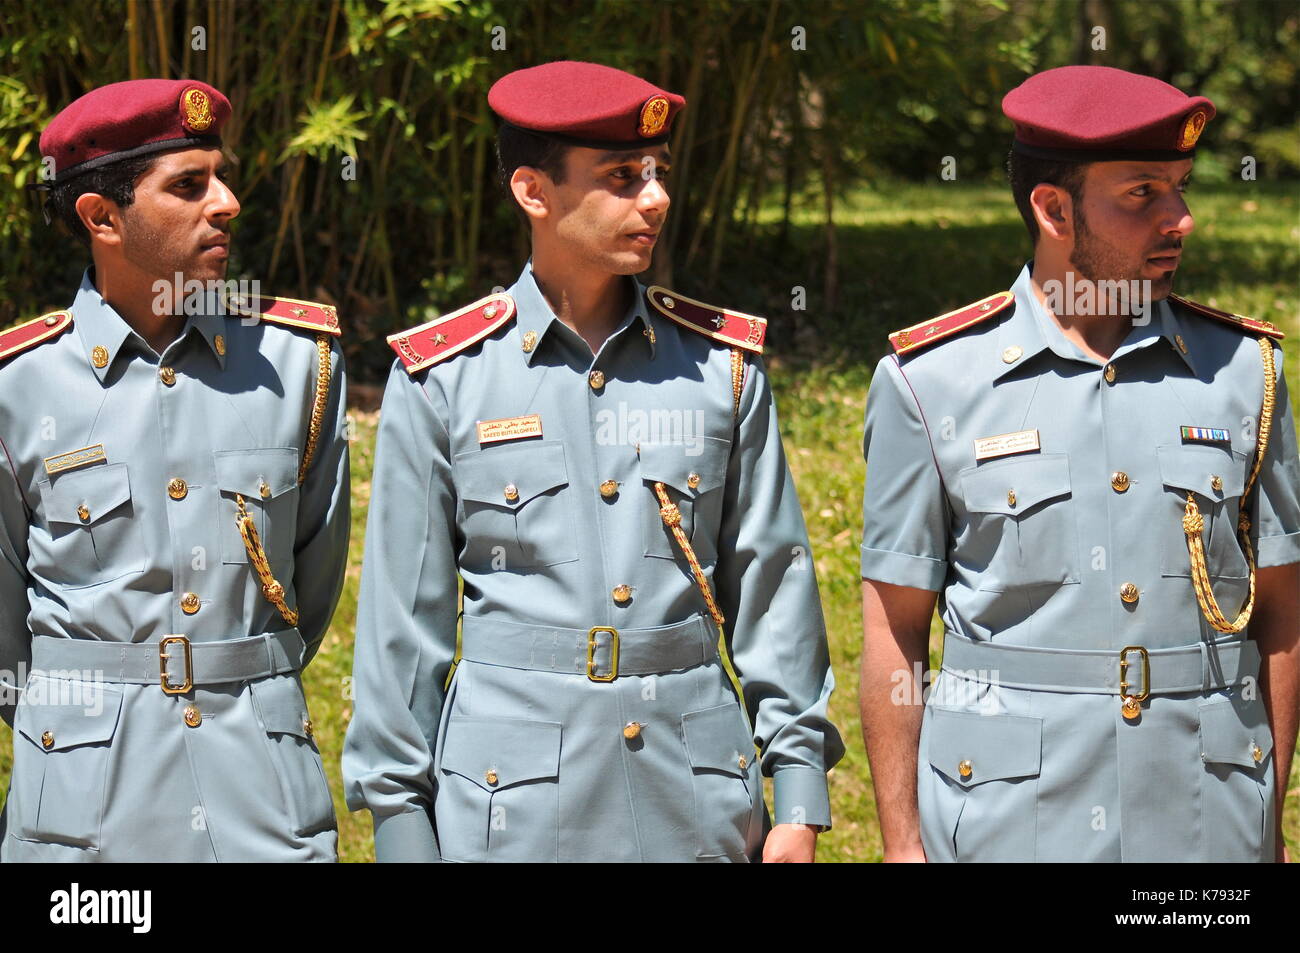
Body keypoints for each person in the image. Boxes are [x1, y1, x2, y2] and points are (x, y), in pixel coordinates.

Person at [342, 60, 842, 863]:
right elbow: (404, 626)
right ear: (534, 191)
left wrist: (799, 793)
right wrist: (402, 826)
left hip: (695, 797)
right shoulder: (444, 380)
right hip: (514, 808)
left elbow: (773, 586)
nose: (657, 198)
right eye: (622, 176)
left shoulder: (721, 370)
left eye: (658, 173)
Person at [859, 65, 1299, 862]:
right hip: (1013, 821)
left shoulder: (1244, 373)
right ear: (1053, 208)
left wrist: (1264, 825)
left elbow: (1281, 608)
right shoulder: (931, 382)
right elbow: (896, 627)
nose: (1182, 219)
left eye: (1182, 188)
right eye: (1142, 194)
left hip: (1203, 822)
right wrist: (900, 844)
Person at [0, 79, 350, 861]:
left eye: (221, 177)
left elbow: (310, 588)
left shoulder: (297, 365)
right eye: (189, 186)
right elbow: (5, 637)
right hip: (84, 815)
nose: (226, 202)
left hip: (260, 795)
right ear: (102, 217)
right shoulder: (17, 386)